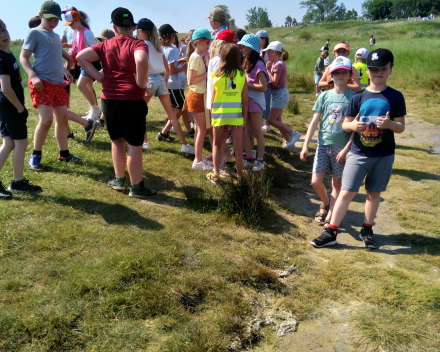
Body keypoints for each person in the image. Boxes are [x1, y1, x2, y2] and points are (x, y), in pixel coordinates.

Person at [310, 49, 406, 249]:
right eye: (373, 68)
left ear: (390, 69)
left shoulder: (396, 96)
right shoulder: (358, 96)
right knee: (346, 192)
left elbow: (401, 127)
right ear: (367, 71)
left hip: (384, 155)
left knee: (374, 193)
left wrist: (389, 124)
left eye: (383, 68)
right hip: (357, 153)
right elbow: (345, 124)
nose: (378, 72)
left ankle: (367, 229)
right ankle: (331, 231)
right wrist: (354, 126)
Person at [76, 7, 157, 199]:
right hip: (132, 100)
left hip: (109, 100)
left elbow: (80, 57)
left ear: (114, 27)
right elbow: (142, 59)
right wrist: (140, 82)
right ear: (134, 27)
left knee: (117, 141)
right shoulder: (138, 44)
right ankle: (136, 187)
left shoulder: (105, 45)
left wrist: (100, 76)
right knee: (135, 145)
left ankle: (119, 180)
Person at [21, 1, 82, 170]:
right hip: (42, 83)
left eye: (56, 20)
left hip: (58, 84)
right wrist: (33, 76)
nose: (53, 23)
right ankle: (35, 154)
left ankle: (64, 154)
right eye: (50, 19)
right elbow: (23, 58)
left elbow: (65, 59)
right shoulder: (34, 33)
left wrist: (66, 72)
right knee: (46, 120)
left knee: (62, 119)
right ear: (41, 16)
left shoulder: (55, 37)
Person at [27, 12, 97, 142]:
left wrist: (66, 71)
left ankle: (88, 124)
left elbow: (62, 59)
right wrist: (66, 70)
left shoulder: (45, 38)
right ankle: (68, 133)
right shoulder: (47, 39)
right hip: (58, 77)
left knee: (61, 111)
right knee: (60, 111)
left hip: (55, 80)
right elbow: (57, 60)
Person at [301, 57, 355, 225]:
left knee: (337, 184)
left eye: (344, 72)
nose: (340, 75)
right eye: (336, 72)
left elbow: (355, 128)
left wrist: (347, 149)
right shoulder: (324, 96)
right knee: (316, 181)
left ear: (349, 74)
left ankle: (331, 215)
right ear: (330, 76)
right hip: (323, 145)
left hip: (342, 147)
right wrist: (305, 145)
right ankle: (326, 203)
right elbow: (314, 122)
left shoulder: (354, 98)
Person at [136, 19, 194, 154]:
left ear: (140, 31)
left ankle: (145, 142)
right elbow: (167, 69)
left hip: (149, 79)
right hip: (161, 80)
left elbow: (142, 65)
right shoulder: (158, 46)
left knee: (140, 113)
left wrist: (145, 85)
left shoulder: (140, 45)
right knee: (172, 116)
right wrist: (165, 83)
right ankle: (184, 144)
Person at [0, 19, 42, 199]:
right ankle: (17, 182)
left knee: (9, 143)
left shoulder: (7, 54)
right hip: (10, 107)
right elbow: (6, 88)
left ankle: (17, 181)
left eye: (4, 29)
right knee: (21, 143)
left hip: (6, 107)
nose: (3, 34)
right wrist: (20, 108)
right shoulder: (2, 58)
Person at [207, 43, 248, 184]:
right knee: (238, 147)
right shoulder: (242, 75)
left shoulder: (216, 75)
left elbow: (212, 101)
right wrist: (244, 120)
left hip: (219, 115)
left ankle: (216, 173)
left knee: (217, 145)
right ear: (238, 57)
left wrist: (213, 117)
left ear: (222, 57)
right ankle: (240, 176)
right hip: (236, 116)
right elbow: (245, 101)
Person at [156, 24, 193, 144]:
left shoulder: (163, 49)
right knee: (181, 109)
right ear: (171, 36)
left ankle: (187, 130)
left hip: (170, 84)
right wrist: (184, 67)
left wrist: (179, 62)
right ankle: (164, 133)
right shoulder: (172, 49)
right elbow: (172, 70)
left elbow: (170, 65)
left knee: (180, 109)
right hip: (174, 84)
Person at [64, 10, 101, 121]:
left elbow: (96, 49)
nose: (70, 26)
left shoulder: (87, 33)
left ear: (78, 20)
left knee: (80, 85)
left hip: (89, 63)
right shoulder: (77, 32)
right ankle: (93, 110)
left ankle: (95, 109)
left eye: (71, 23)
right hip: (82, 64)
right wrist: (71, 48)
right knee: (89, 87)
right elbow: (78, 45)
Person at [237, 33, 267, 171]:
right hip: (245, 101)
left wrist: (246, 84)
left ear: (252, 48)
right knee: (244, 130)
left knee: (256, 131)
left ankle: (260, 161)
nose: (241, 48)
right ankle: (249, 158)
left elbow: (263, 87)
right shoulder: (245, 61)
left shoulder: (259, 64)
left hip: (255, 101)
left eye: (244, 46)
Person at [263, 41, 301, 149]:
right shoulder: (277, 64)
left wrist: (267, 70)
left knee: (271, 120)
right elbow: (274, 82)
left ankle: (293, 133)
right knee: (278, 120)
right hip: (279, 94)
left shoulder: (278, 64)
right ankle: (289, 142)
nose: (267, 55)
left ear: (274, 53)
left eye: (268, 52)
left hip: (280, 95)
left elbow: (274, 82)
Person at [186, 28, 214, 170]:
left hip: (199, 95)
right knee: (202, 130)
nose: (208, 45)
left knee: (199, 129)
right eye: (206, 42)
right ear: (198, 42)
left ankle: (198, 158)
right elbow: (191, 80)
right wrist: (208, 74)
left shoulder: (196, 56)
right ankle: (197, 160)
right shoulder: (196, 57)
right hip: (197, 96)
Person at [256, 30, 271, 132]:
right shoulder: (257, 50)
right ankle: (260, 121)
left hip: (266, 77)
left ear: (264, 39)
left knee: (266, 101)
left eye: (259, 38)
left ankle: (268, 123)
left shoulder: (268, 52)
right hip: (258, 77)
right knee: (259, 100)